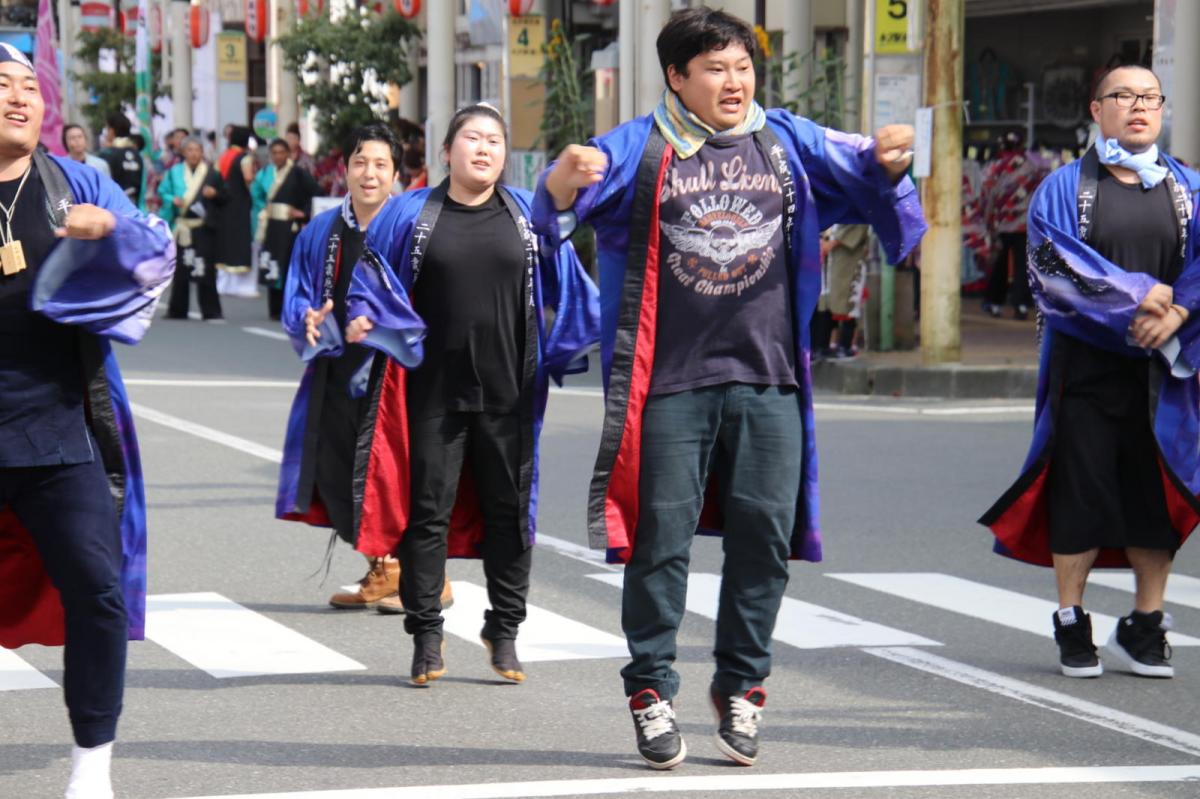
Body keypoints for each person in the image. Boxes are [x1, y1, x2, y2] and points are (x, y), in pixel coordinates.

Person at [534, 7, 924, 770]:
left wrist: (892, 160)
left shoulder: (787, 141)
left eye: (742, 66)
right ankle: (650, 689)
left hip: (771, 375)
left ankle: (743, 685)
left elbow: (871, 175)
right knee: (660, 543)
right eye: (715, 67)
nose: (734, 80)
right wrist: (557, 183)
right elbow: (553, 210)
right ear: (677, 77)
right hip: (671, 380)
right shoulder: (642, 147)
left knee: (764, 545)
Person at [356, 103, 600, 686]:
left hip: (510, 390)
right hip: (430, 390)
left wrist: (572, 337)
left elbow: (568, 276)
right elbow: (371, 281)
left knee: (509, 515)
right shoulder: (410, 214)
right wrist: (366, 323)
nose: (483, 148)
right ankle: (426, 635)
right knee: (427, 515)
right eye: (471, 138)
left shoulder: (523, 215)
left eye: (494, 139)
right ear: (447, 151)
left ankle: (505, 629)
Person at [980, 64, 1200, 681]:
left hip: (1166, 372)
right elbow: (1052, 267)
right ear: (1096, 109)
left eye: (1150, 97)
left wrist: (1177, 308)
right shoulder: (1065, 186)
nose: (1138, 106)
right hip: (1084, 369)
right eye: (1123, 96)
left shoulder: (1188, 187)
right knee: (1078, 494)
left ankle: (1146, 623)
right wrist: (1140, 302)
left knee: (1158, 496)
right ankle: (1072, 622)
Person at [0, 44, 174, 799]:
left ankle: (90, 766)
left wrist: (112, 231)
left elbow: (156, 252)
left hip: (59, 424)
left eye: (28, 88)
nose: (19, 99)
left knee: (97, 590)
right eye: (0, 86)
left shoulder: (76, 180)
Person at [277, 123, 448, 612]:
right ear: (345, 169)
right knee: (336, 473)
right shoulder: (322, 231)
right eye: (359, 162)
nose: (368, 174)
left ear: (396, 174)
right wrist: (306, 320)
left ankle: (426, 574)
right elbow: (300, 295)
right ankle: (386, 565)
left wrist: (389, 325)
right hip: (338, 369)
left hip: (401, 373)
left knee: (402, 474)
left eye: (379, 165)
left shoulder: (417, 226)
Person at [980, 131, 1049, 320]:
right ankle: (1021, 304)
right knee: (1023, 265)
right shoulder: (1033, 167)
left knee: (999, 263)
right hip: (1025, 225)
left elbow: (987, 196)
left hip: (1001, 224)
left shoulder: (995, 168)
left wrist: (987, 222)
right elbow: (1042, 193)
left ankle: (994, 302)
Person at [158, 136, 223, 321]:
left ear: (202, 152)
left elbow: (226, 196)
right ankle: (178, 309)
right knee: (181, 268)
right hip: (183, 225)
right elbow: (163, 191)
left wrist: (215, 194)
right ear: (184, 152)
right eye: (190, 150)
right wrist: (172, 200)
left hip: (202, 227)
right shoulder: (174, 172)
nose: (194, 154)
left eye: (197, 150)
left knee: (205, 268)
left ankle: (211, 310)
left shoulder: (211, 174)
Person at [253, 139, 319, 320]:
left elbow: (316, 192)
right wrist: (263, 208)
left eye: (282, 152)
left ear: (288, 154)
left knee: (289, 266)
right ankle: (274, 309)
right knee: (272, 265)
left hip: (290, 227)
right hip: (271, 225)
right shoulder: (265, 173)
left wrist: (302, 213)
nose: (278, 156)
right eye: (274, 153)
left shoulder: (298, 174)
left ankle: (291, 308)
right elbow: (256, 195)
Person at [213, 125, 257, 298]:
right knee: (240, 241)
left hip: (224, 202)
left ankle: (224, 282)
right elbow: (248, 178)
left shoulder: (223, 156)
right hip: (239, 203)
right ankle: (242, 285)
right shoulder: (244, 158)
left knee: (226, 241)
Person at [98, 112, 143, 207]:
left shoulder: (107, 154)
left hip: (113, 208)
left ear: (112, 131)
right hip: (133, 206)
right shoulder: (137, 154)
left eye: (107, 128)